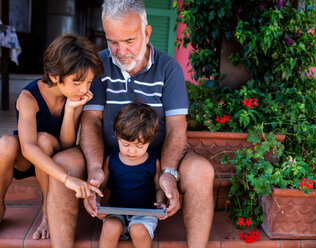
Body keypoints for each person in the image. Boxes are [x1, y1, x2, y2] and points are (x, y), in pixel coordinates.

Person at [48, 0, 215, 247]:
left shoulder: (169, 68)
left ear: (146, 33)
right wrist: (95, 169)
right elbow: (91, 121)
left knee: (202, 171)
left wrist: (168, 172)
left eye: (128, 41)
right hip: (108, 156)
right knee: (63, 164)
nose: (120, 51)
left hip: (158, 157)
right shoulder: (98, 65)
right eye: (112, 41)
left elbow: (177, 128)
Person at [0, 33, 104, 240]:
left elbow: (66, 145)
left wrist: (70, 110)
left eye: (89, 82)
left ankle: (47, 213)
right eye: (77, 82)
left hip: (54, 153)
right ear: (56, 76)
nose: (84, 89)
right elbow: (27, 148)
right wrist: (69, 180)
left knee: (45, 140)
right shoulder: (28, 97)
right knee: (5, 144)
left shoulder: (75, 96)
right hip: (27, 157)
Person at [96, 101, 166, 248]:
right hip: (116, 211)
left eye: (140, 146)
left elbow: (158, 188)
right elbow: (101, 186)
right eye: (126, 144)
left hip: (145, 213)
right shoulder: (111, 160)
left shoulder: (153, 162)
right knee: (110, 227)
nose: (132, 151)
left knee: (138, 230)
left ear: (150, 140)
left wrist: (160, 204)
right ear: (117, 136)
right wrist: (98, 204)